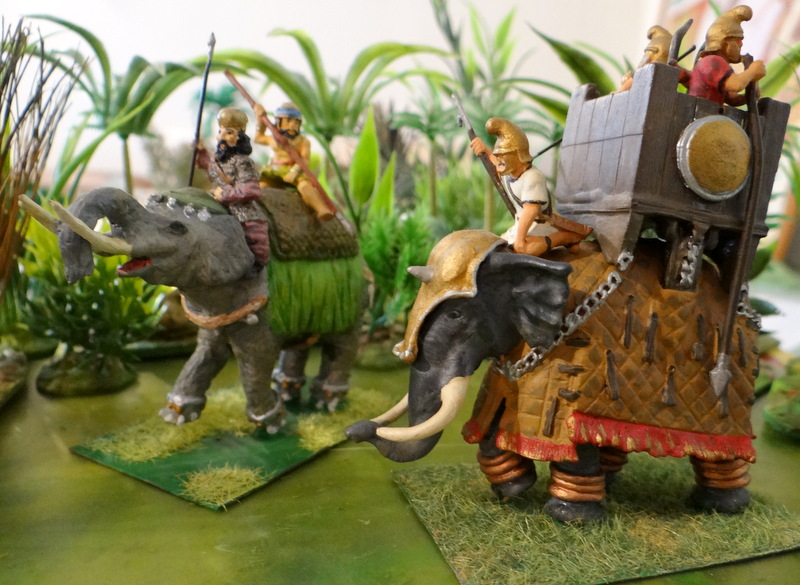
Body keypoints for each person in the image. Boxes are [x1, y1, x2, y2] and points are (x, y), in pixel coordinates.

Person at [470, 117, 589, 256]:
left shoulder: (533, 177)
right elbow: (497, 164)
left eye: (504, 154)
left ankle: (566, 237)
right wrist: (485, 150)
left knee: (525, 250)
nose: (499, 159)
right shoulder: (509, 172)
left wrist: (520, 239)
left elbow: (531, 211)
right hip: (522, 225)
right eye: (498, 155)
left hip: (541, 225)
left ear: (517, 154)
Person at [195, 107, 270, 268]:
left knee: (255, 240)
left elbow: (250, 190)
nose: (222, 136)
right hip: (217, 206)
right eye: (220, 131)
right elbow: (211, 168)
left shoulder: (243, 162)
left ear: (239, 138)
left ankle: (256, 267)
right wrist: (201, 151)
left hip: (242, 212)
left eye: (229, 132)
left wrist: (224, 194)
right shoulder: (217, 160)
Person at [252, 102, 334, 221]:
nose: (292, 125)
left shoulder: (303, 142)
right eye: (288, 121)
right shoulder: (273, 139)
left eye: (296, 122)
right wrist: (260, 121)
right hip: (275, 170)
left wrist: (294, 171)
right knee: (262, 186)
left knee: (305, 186)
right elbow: (258, 138)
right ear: (279, 121)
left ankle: (321, 209)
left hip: (292, 170)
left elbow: (305, 160)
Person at [679, 5, 765, 106]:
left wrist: (753, 90)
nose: (741, 45)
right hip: (700, 111)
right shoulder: (712, 62)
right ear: (725, 43)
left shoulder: (716, 66)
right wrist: (752, 71)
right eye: (737, 41)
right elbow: (736, 85)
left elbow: (732, 100)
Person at [615, 25, 672, 92]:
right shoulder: (671, 39)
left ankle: (620, 90)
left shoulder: (655, 42)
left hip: (654, 68)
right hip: (666, 71)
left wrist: (638, 69)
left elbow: (646, 57)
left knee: (635, 76)